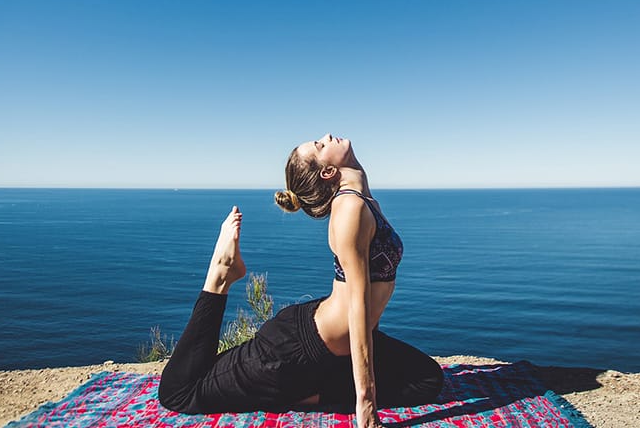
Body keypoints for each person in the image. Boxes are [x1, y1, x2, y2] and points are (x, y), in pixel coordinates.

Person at [157, 134, 443, 427]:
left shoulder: (365, 202)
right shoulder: (349, 210)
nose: (326, 137)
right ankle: (220, 275)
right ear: (328, 172)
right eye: (320, 146)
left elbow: (367, 304)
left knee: (428, 380)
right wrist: (366, 404)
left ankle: (300, 391)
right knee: (180, 392)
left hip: (332, 345)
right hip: (294, 350)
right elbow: (358, 305)